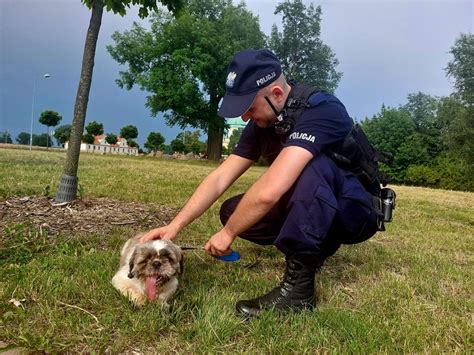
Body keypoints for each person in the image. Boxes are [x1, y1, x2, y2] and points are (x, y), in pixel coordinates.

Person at [140, 49, 379, 317]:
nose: (244, 118)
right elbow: (220, 178)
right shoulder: (264, 122)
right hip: (324, 203)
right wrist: (175, 226)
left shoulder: (323, 110)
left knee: (308, 166)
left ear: (276, 94)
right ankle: (316, 247)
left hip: (356, 212)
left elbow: (271, 189)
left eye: (249, 108)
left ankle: (298, 292)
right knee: (233, 211)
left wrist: (228, 233)